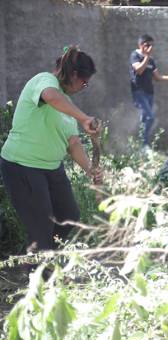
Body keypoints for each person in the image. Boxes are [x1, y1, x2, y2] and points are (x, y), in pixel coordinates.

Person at [0, 46, 102, 251]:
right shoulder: (45, 80)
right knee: (42, 224)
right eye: (84, 81)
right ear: (74, 74)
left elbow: (72, 143)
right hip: (22, 166)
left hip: (51, 168)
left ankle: (40, 257)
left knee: (69, 215)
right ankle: (37, 272)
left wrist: (90, 169)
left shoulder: (67, 104)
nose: (84, 86)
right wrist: (83, 117)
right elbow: (50, 96)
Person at [130, 34, 168, 149]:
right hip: (138, 91)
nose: (150, 47)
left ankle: (139, 144)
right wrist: (146, 56)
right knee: (150, 117)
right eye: (147, 45)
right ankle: (144, 145)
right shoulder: (135, 55)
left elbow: (157, 77)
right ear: (141, 45)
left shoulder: (151, 60)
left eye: (152, 45)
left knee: (144, 118)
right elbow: (139, 70)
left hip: (149, 92)